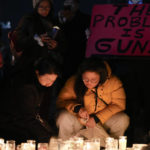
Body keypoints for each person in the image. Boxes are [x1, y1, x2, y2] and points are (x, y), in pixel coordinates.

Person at [56, 57, 130, 147]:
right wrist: (77, 109)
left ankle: (112, 147)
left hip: (103, 120)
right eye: (85, 79)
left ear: (101, 77)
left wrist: (97, 118)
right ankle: (65, 146)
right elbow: (61, 101)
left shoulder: (114, 82)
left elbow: (119, 105)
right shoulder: (74, 81)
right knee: (64, 117)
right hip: (80, 119)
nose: (89, 83)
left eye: (93, 80)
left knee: (122, 119)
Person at [0, 56, 61, 144]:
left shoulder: (37, 84)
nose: (50, 83)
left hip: (19, 121)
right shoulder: (26, 88)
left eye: (53, 81)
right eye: (48, 79)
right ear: (37, 72)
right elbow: (27, 117)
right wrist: (47, 138)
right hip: (9, 123)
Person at [11, 0, 66, 74]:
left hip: (51, 64)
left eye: (47, 7)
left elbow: (64, 42)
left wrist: (56, 45)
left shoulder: (55, 21)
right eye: (41, 7)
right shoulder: (28, 19)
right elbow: (19, 40)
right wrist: (36, 39)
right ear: (36, 7)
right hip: (31, 63)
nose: (44, 9)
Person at [57, 0, 91, 80]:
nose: (69, 5)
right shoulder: (60, 19)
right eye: (66, 2)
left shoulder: (85, 19)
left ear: (77, 4)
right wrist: (61, 21)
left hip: (80, 55)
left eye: (71, 2)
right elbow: (55, 33)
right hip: (64, 57)